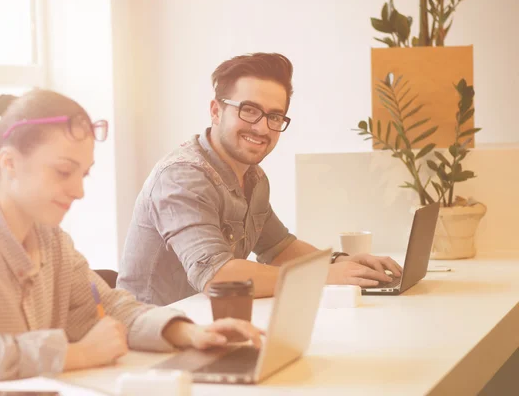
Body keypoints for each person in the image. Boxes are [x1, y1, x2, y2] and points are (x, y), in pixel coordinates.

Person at [0, 89, 262, 390]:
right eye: (63, 172)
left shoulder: (52, 240)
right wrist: (73, 354)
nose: (79, 191)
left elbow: (107, 307)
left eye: (83, 174)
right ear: (9, 162)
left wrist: (189, 334)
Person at [118, 53, 403, 306]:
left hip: (212, 326)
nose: (262, 127)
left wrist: (342, 262)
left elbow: (279, 248)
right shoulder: (181, 177)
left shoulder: (253, 176)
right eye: (249, 110)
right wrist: (323, 277)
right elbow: (217, 278)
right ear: (216, 111)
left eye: (275, 116)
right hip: (153, 340)